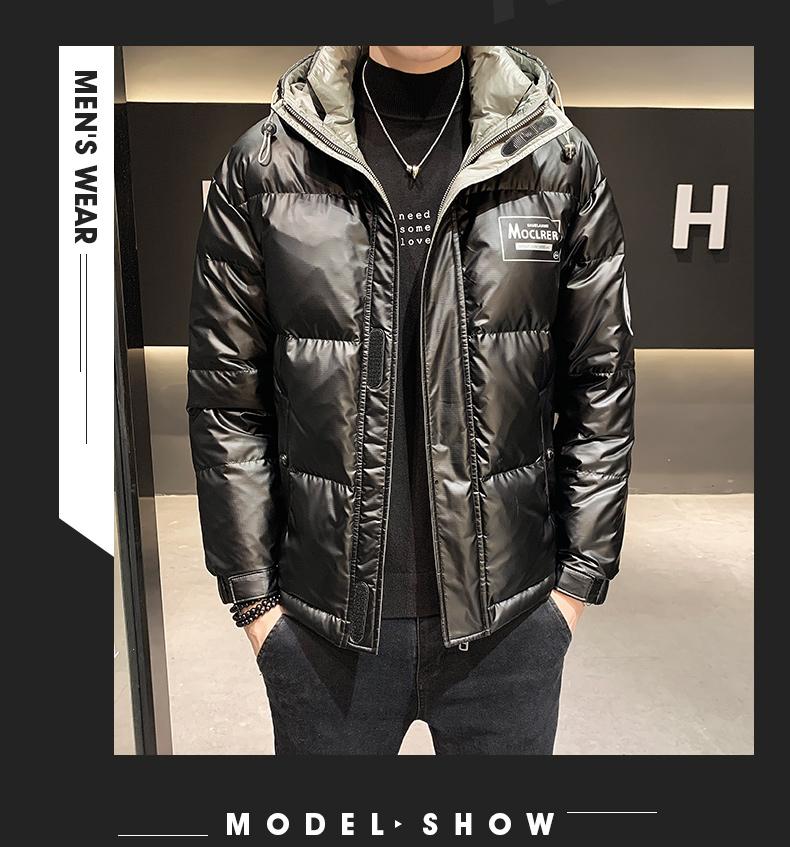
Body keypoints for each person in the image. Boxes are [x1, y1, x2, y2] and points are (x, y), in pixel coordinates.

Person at [187, 45, 635, 754]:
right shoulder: (264, 167)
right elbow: (227, 401)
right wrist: (255, 602)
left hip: (511, 629)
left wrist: (576, 586)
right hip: (321, 635)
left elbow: (601, 383)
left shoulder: (556, 161)